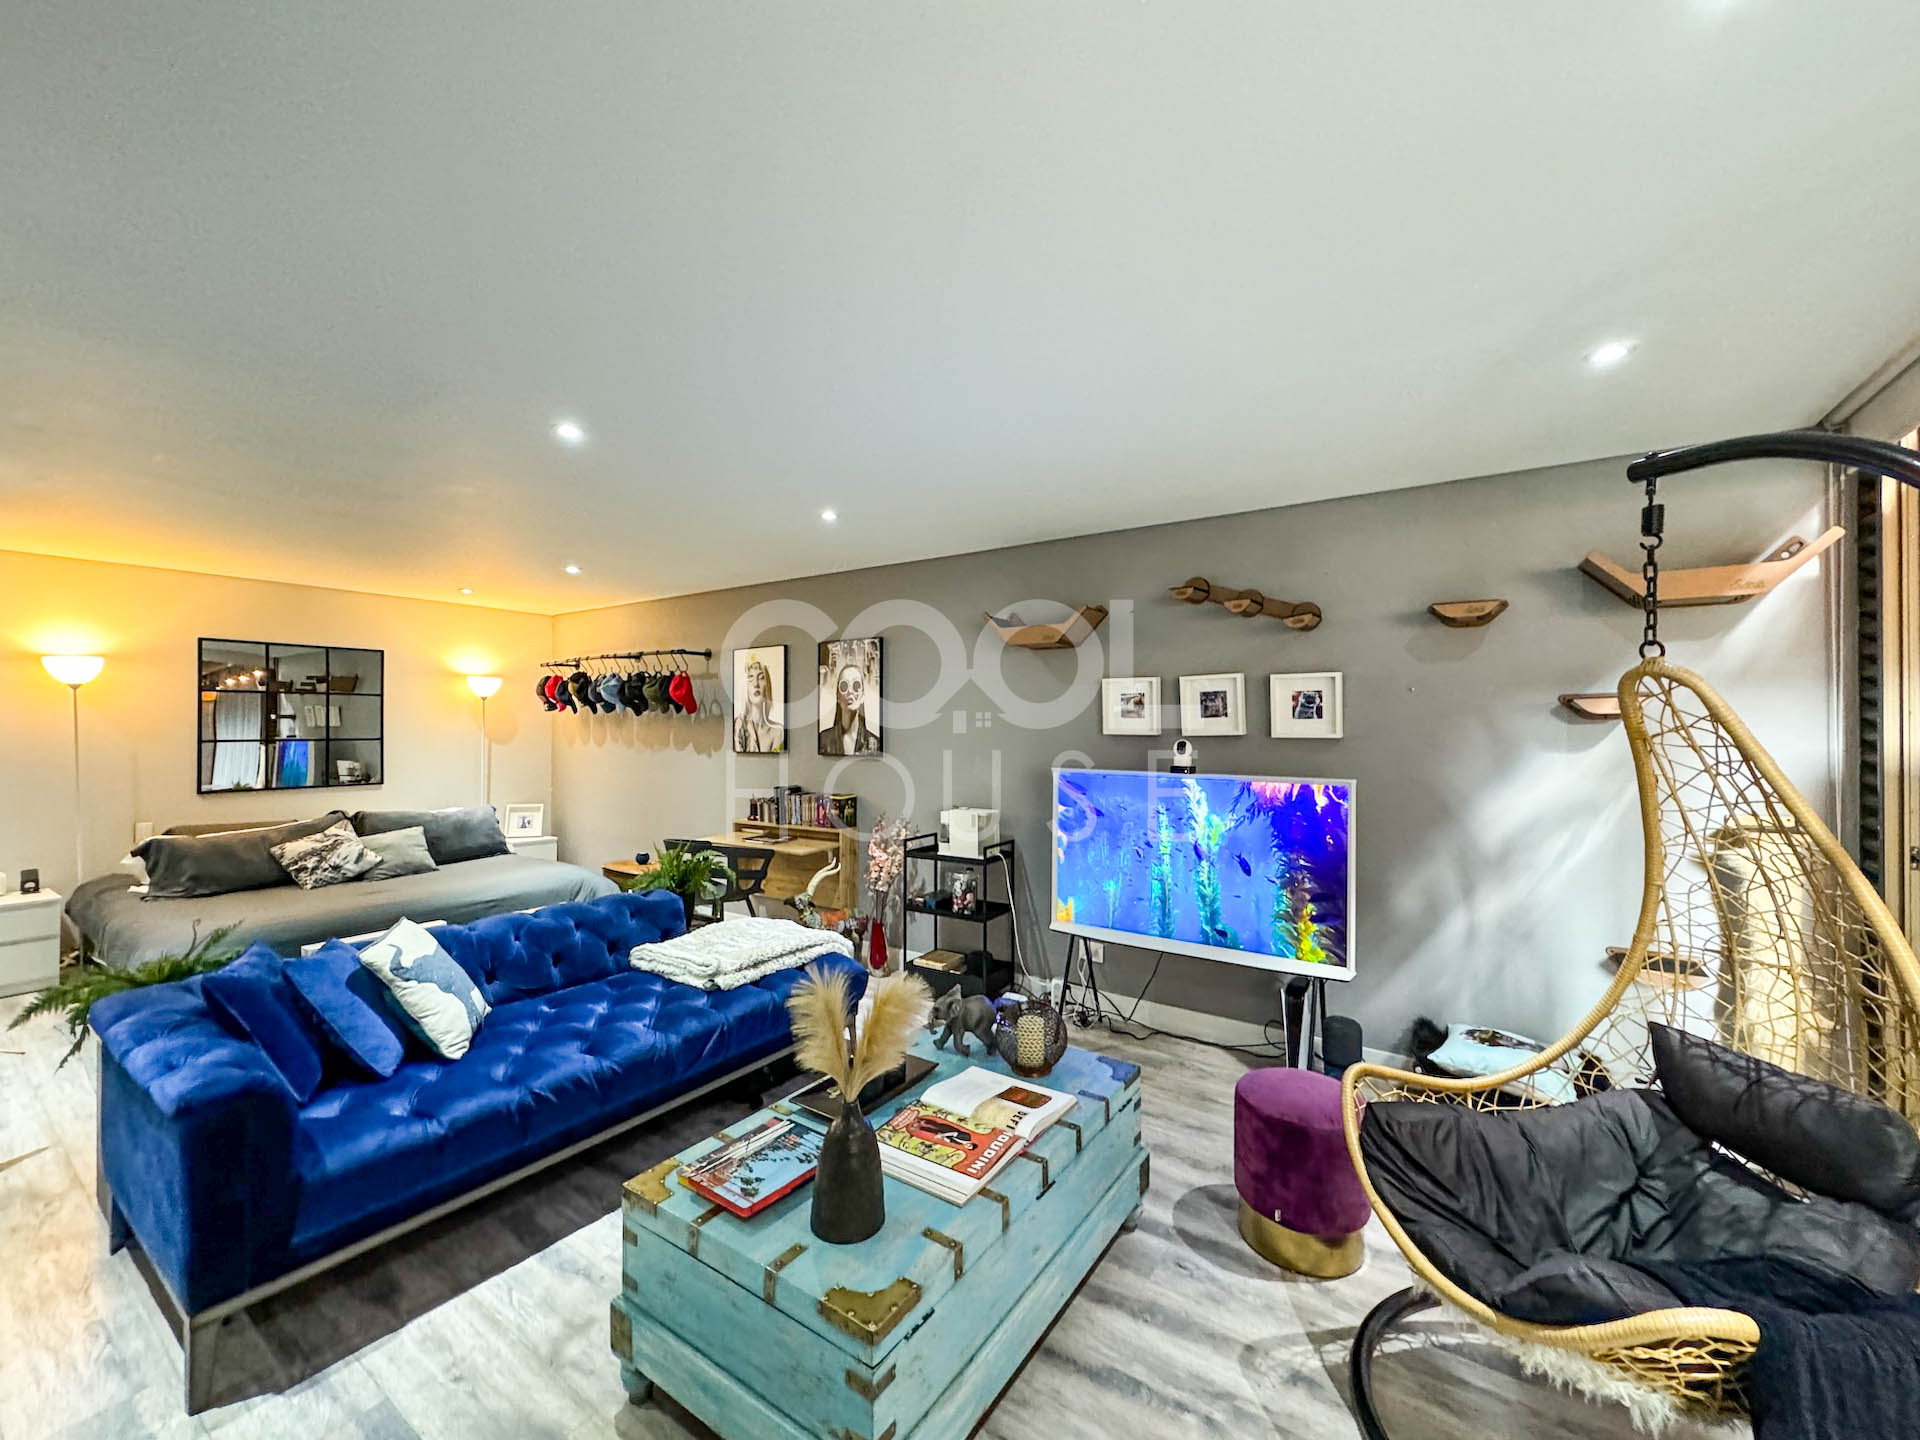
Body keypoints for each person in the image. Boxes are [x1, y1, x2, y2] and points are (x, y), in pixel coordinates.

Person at [820, 657, 877, 754]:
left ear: (862, 696)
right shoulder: (823, 740)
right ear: (838, 696)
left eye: (856, 685)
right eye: (844, 686)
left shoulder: (875, 744)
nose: (850, 691)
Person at [734, 655, 783, 752]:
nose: (756, 684)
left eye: (761, 678)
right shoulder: (738, 726)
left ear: (767, 685)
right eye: (750, 678)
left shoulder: (778, 732)